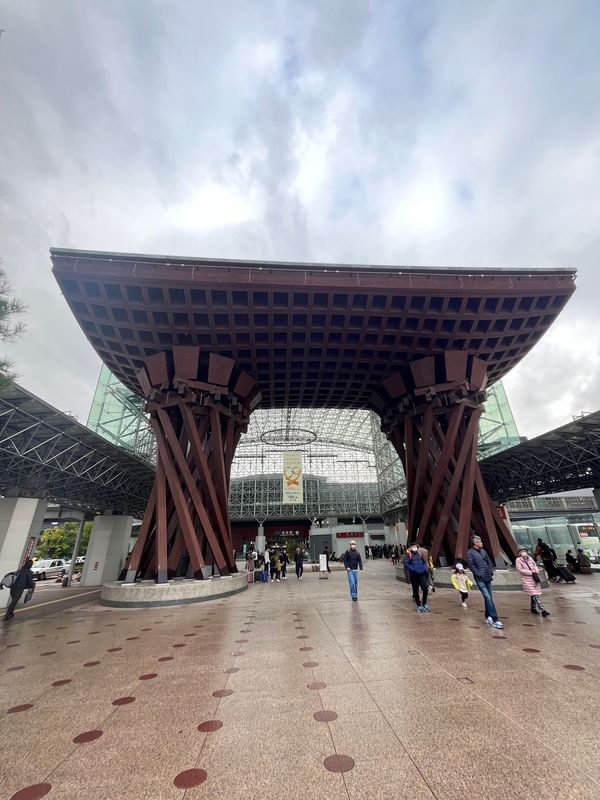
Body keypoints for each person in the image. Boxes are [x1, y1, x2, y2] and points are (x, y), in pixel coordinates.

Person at [467, 535, 504, 628]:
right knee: (488, 598)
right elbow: (471, 564)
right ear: (475, 543)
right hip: (480, 579)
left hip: (487, 577)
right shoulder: (470, 553)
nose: (482, 543)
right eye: (480, 541)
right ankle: (495, 619)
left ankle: (488, 616)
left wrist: (490, 571)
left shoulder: (483, 551)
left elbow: (489, 562)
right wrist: (478, 573)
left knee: (489, 598)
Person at [515, 546, 549, 617]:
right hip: (527, 580)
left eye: (524, 551)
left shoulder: (530, 558)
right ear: (519, 553)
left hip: (534, 579)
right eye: (522, 551)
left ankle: (533, 608)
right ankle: (542, 610)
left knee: (534, 594)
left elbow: (534, 565)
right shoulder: (518, 560)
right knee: (534, 594)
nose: (523, 552)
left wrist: (536, 571)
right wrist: (531, 572)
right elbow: (520, 570)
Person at [403, 542, 430, 612]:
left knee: (425, 589)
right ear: (410, 547)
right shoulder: (408, 554)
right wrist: (413, 570)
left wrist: (424, 569)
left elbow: (424, 562)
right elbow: (406, 563)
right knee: (416, 590)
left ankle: (424, 603)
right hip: (414, 575)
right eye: (413, 546)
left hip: (421, 574)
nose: (415, 547)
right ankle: (418, 604)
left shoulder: (419, 553)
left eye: (415, 546)